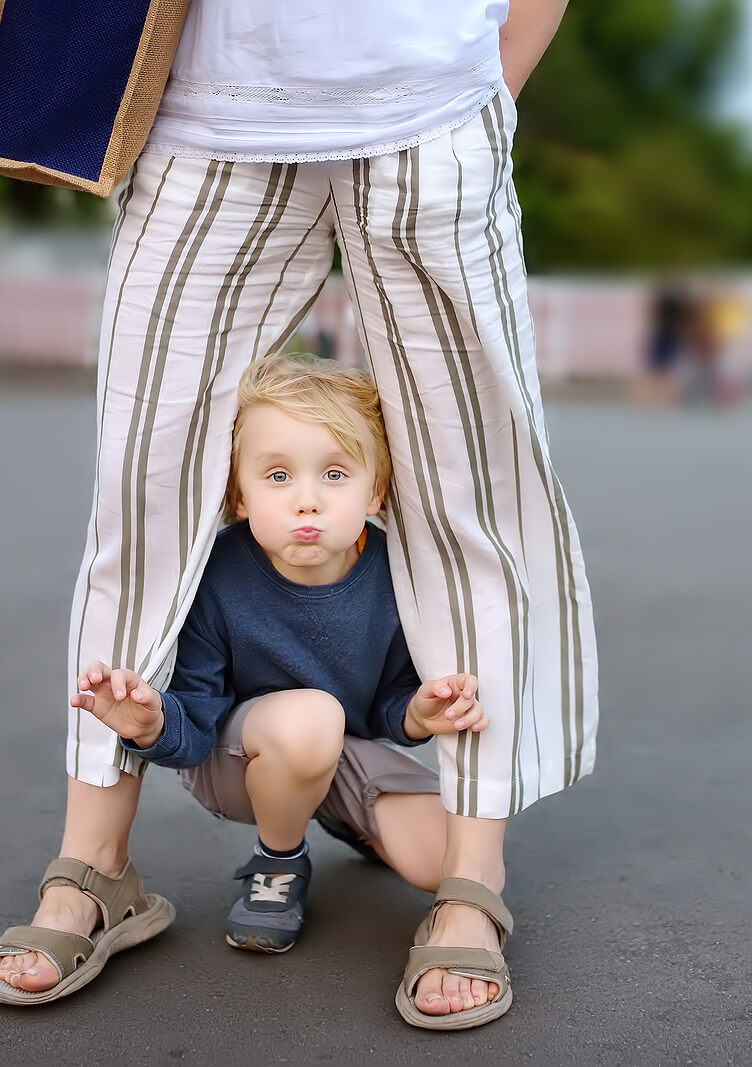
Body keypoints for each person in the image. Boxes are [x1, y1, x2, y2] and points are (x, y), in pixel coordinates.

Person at [0, 0, 599, 1030]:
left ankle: (471, 880)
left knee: (468, 499)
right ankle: (94, 867)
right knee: (146, 489)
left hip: (431, 100)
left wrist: (488, 78)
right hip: (208, 111)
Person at [59, 353, 492, 962]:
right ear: (238, 493)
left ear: (378, 488)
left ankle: (334, 811)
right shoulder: (215, 576)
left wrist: (418, 715)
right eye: (278, 476)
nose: (306, 501)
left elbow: (388, 705)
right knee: (308, 719)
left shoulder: (400, 575)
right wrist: (152, 725)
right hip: (235, 759)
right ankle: (279, 861)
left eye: (335, 474)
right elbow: (194, 728)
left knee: (443, 866)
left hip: (339, 751)